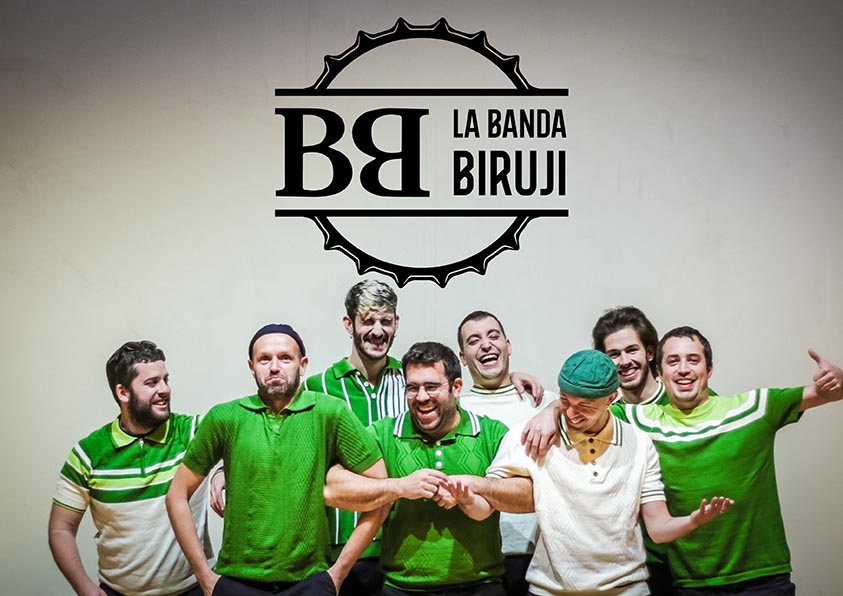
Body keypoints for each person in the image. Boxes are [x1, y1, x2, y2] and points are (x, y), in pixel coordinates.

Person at [472, 350, 733, 595]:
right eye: (565, 400)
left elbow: (658, 528)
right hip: (550, 589)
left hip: (628, 588)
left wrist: (693, 521)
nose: (572, 413)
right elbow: (489, 500)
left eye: (585, 406)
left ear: (611, 398)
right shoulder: (532, 434)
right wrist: (473, 487)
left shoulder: (639, 444)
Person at [612, 326, 843, 595]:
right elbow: (582, 412)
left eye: (693, 360)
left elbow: (829, 393)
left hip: (764, 581)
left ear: (709, 369)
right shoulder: (640, 420)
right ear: (660, 373)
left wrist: (838, 380)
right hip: (691, 584)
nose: (683, 369)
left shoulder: (754, 408)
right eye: (673, 361)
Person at [166, 324, 388, 596]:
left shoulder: (330, 412)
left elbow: (382, 489)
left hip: (310, 582)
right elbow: (176, 495)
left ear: (302, 365)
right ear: (251, 367)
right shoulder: (225, 417)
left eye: (285, 358)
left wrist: (338, 573)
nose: (274, 367)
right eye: (264, 359)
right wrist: (206, 578)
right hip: (236, 581)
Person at [325, 341, 511, 595]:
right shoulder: (384, 433)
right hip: (401, 588)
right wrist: (399, 487)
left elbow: (524, 494)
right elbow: (332, 482)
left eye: (432, 387)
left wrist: (470, 492)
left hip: (483, 585)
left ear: (456, 387)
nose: (422, 397)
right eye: (412, 388)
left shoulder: (491, 433)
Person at [49, 340, 212, 596]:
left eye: (165, 380)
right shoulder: (88, 454)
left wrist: (222, 471)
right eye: (152, 383)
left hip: (193, 590)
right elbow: (61, 529)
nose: (164, 389)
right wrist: (83, 586)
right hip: (118, 592)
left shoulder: (193, 432)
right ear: (123, 393)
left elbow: (237, 438)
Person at [457, 310, 551, 596]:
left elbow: (598, 406)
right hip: (477, 560)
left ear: (508, 346)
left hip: (542, 555)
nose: (486, 344)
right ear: (462, 358)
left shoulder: (544, 403)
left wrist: (556, 408)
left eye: (493, 336)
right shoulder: (455, 409)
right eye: (474, 341)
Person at [592, 306, 666, 405]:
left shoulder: (681, 403)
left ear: (650, 353)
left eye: (632, 350)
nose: (625, 362)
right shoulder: (609, 413)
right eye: (614, 354)